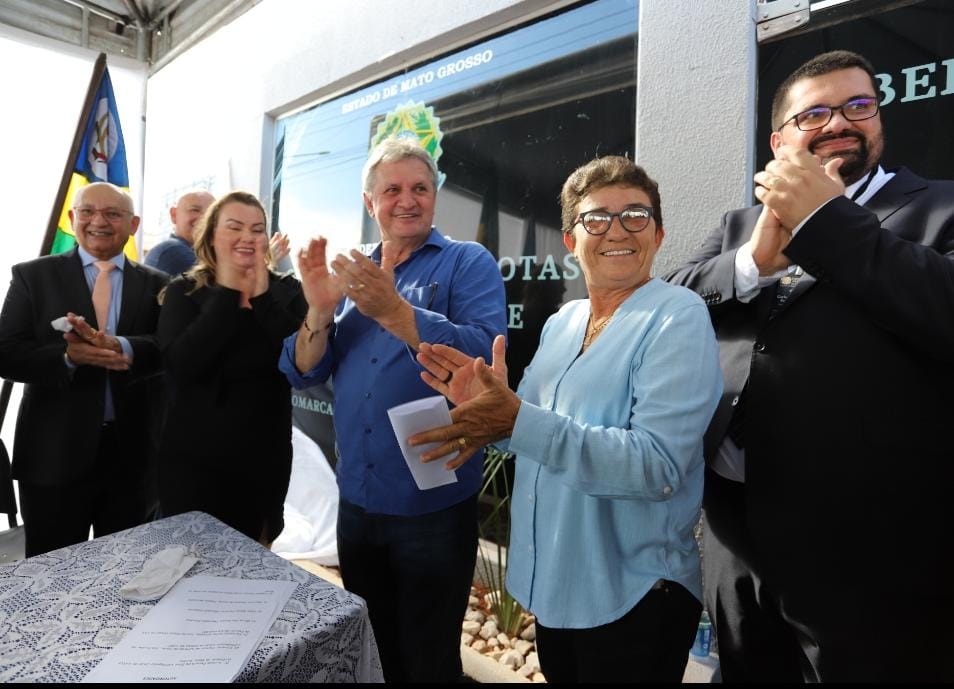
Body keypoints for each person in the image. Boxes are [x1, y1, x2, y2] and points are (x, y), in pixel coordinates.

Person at [664, 50, 954, 682]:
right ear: (779, 141)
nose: (839, 123)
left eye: (859, 106)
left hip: (868, 547)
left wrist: (826, 219)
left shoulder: (941, 207)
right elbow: (673, 301)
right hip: (735, 533)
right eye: (815, 113)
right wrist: (749, 264)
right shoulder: (740, 222)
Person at [408, 156, 723, 683]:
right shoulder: (564, 320)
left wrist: (513, 421)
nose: (617, 230)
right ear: (571, 241)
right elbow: (525, 436)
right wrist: (485, 408)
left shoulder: (678, 315)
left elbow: (657, 466)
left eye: (635, 216)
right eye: (596, 218)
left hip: (633, 598)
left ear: (659, 234)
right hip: (558, 591)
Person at [279, 137, 506, 682]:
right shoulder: (351, 276)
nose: (407, 200)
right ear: (369, 202)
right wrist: (318, 310)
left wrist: (397, 311)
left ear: (434, 197)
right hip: (357, 501)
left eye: (420, 188)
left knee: (427, 658)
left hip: (431, 505)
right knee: (372, 646)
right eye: (393, 190)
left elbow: (482, 353)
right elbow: (303, 369)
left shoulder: (465, 262)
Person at [0, 182, 167, 557]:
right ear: (73, 218)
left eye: (112, 213)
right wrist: (68, 358)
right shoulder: (32, 276)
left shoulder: (160, 285)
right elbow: (6, 353)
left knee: (125, 569)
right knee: (51, 571)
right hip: (52, 455)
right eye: (88, 212)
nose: (98, 222)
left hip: (132, 458)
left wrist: (124, 347)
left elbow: (168, 348)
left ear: (133, 224)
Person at [157, 191, 306, 545]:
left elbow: (298, 364)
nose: (247, 237)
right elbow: (183, 365)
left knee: (254, 571)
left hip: (262, 460)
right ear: (210, 235)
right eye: (234, 227)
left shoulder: (287, 291)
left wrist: (261, 297)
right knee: (188, 570)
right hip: (192, 462)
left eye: (257, 229)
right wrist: (227, 292)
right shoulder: (184, 291)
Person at [145, 189, 215, 275]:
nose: (204, 218)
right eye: (195, 210)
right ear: (174, 214)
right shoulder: (173, 251)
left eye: (211, 213)